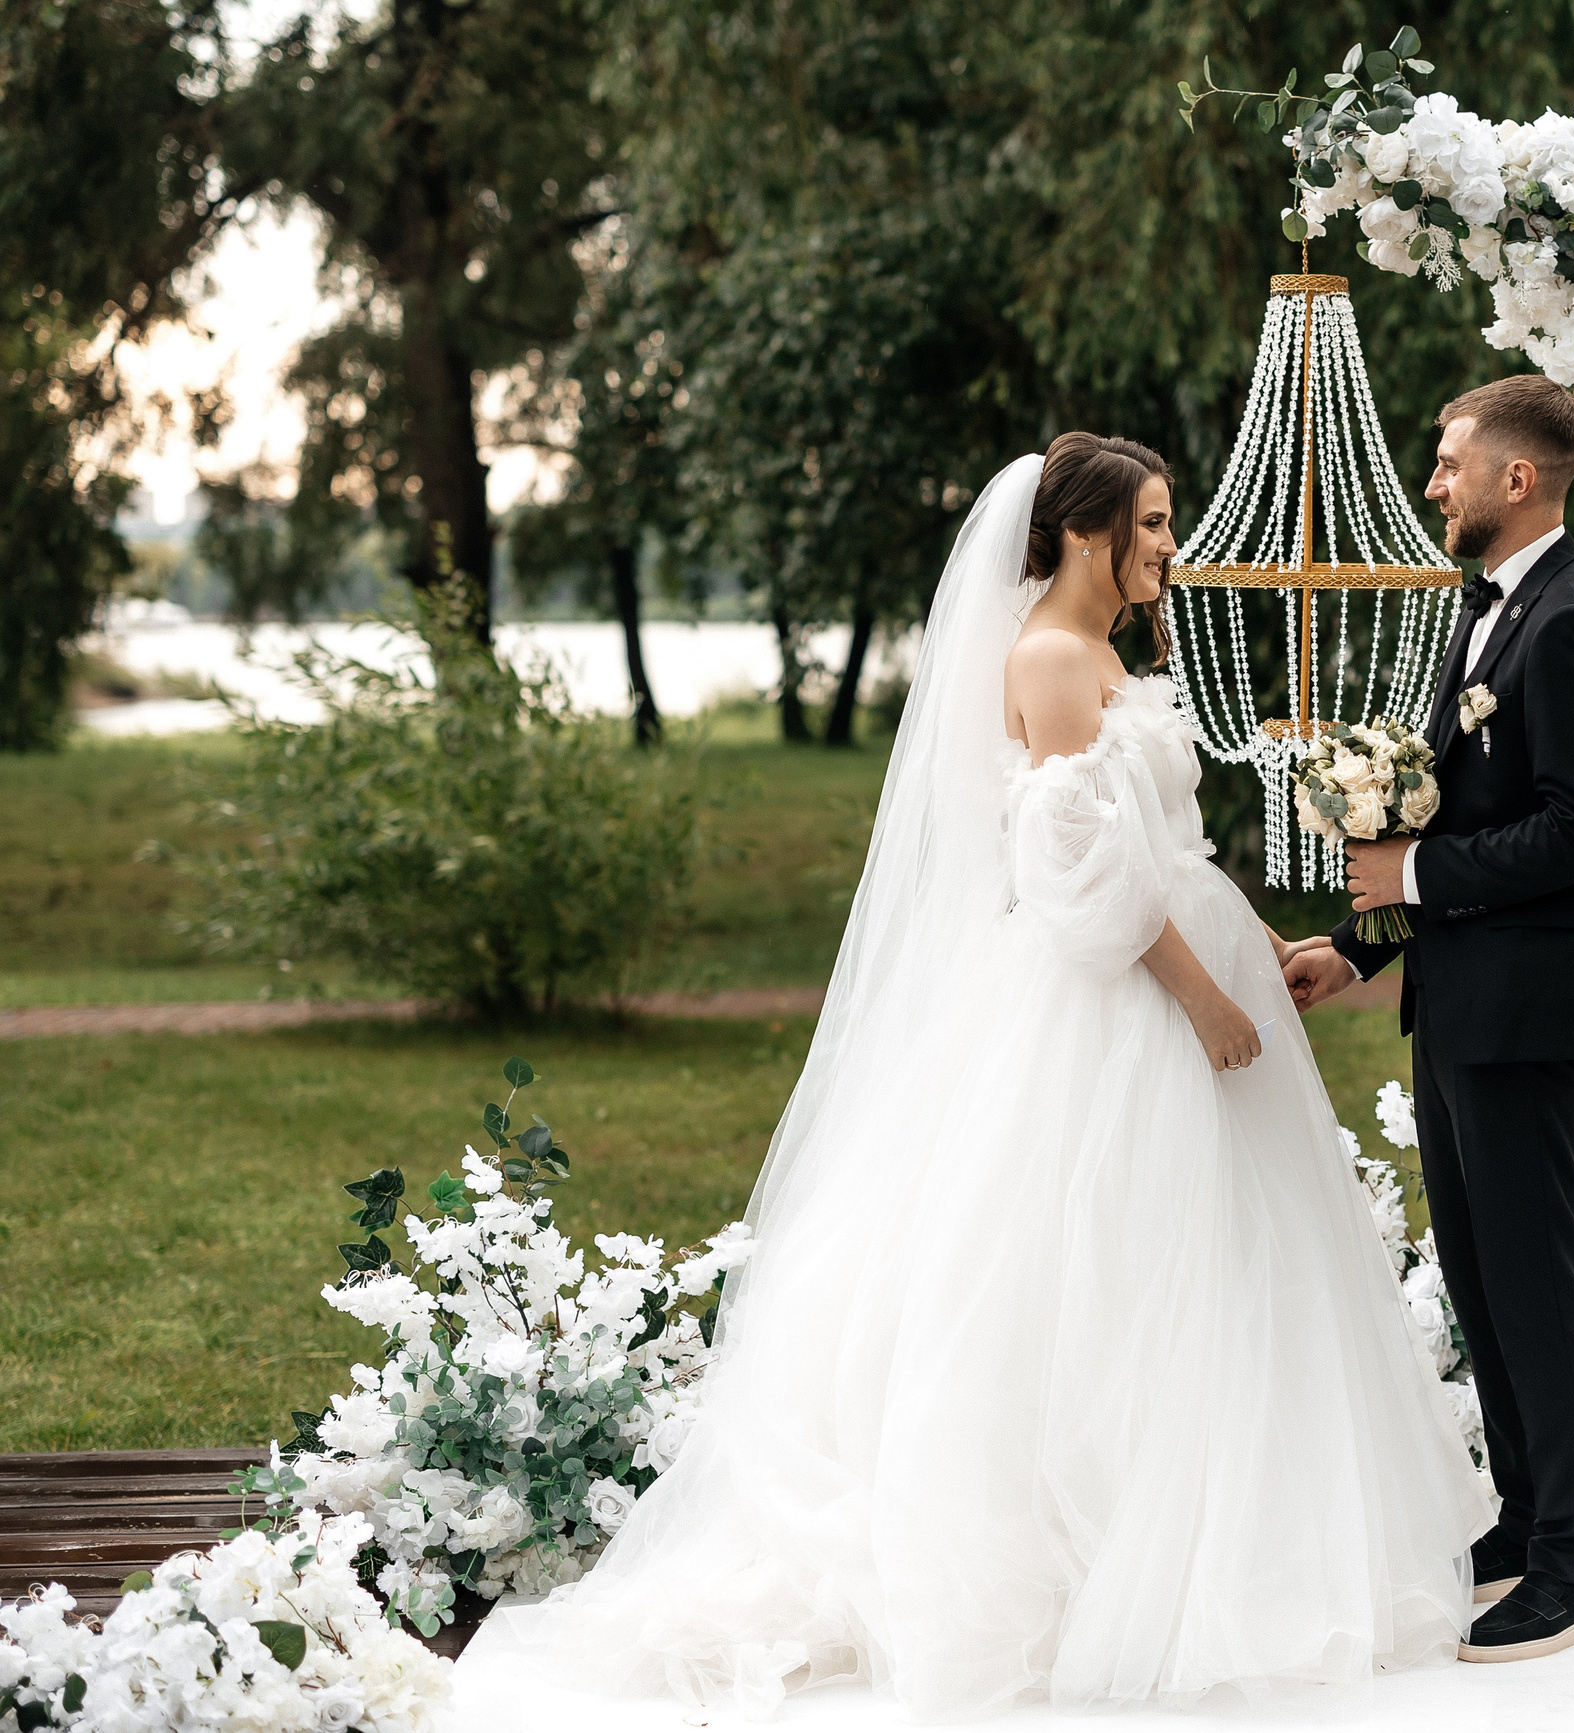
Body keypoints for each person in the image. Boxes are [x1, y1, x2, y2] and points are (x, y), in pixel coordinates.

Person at [452, 434, 1487, 1725]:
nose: (1172, 545)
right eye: (1154, 523)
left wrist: (1255, 936)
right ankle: (1102, 1562)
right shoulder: (1055, 658)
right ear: (1082, 532)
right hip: (1111, 1003)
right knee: (1102, 1263)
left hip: (1172, 959)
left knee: (1213, 1256)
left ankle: (1208, 1531)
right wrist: (1209, 996)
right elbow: (1080, 876)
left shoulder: (1103, 652)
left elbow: (1149, 843)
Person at [1285, 375, 1574, 1665]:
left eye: (1448, 464)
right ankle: (1527, 1515)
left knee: (1535, 1276)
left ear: (1517, 478)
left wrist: (1415, 882)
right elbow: (1451, 813)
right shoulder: (1486, 614)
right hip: (1456, 1001)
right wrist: (1357, 945)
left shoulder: (1573, 627)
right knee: (1484, 1271)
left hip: (1527, 1009)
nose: (1430, 482)